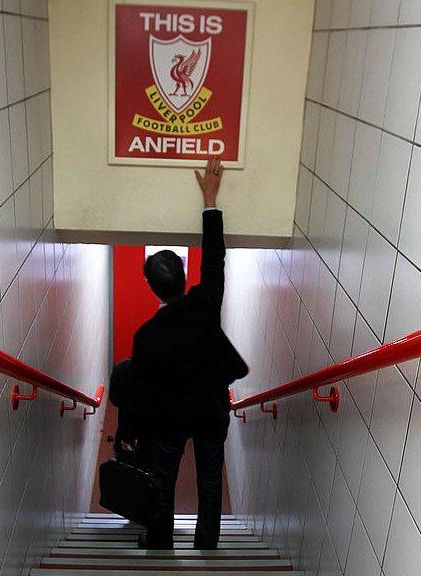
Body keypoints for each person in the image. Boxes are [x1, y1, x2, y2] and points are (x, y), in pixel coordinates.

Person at [131, 156, 248, 550]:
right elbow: (216, 259)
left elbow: (142, 394)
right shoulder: (204, 302)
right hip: (211, 413)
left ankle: (161, 543)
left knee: (162, 480)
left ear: (152, 288)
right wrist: (210, 199)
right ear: (185, 276)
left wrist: (137, 435)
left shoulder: (145, 337)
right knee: (210, 481)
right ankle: (207, 547)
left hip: (168, 421)